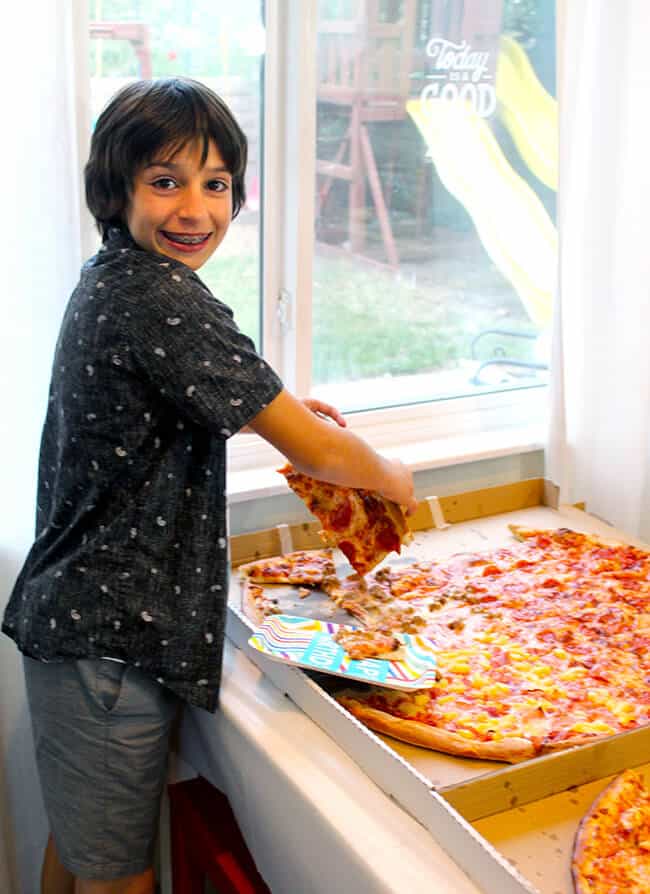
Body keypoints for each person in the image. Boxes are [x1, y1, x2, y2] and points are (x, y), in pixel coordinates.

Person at [2, 77, 416, 894]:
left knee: (83, 852)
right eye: (166, 181)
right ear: (116, 190)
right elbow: (318, 453)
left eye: (216, 184)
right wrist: (392, 475)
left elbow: (192, 394)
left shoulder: (118, 275)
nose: (195, 209)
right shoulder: (158, 295)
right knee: (118, 877)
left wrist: (283, 413)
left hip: (85, 629)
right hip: (109, 644)